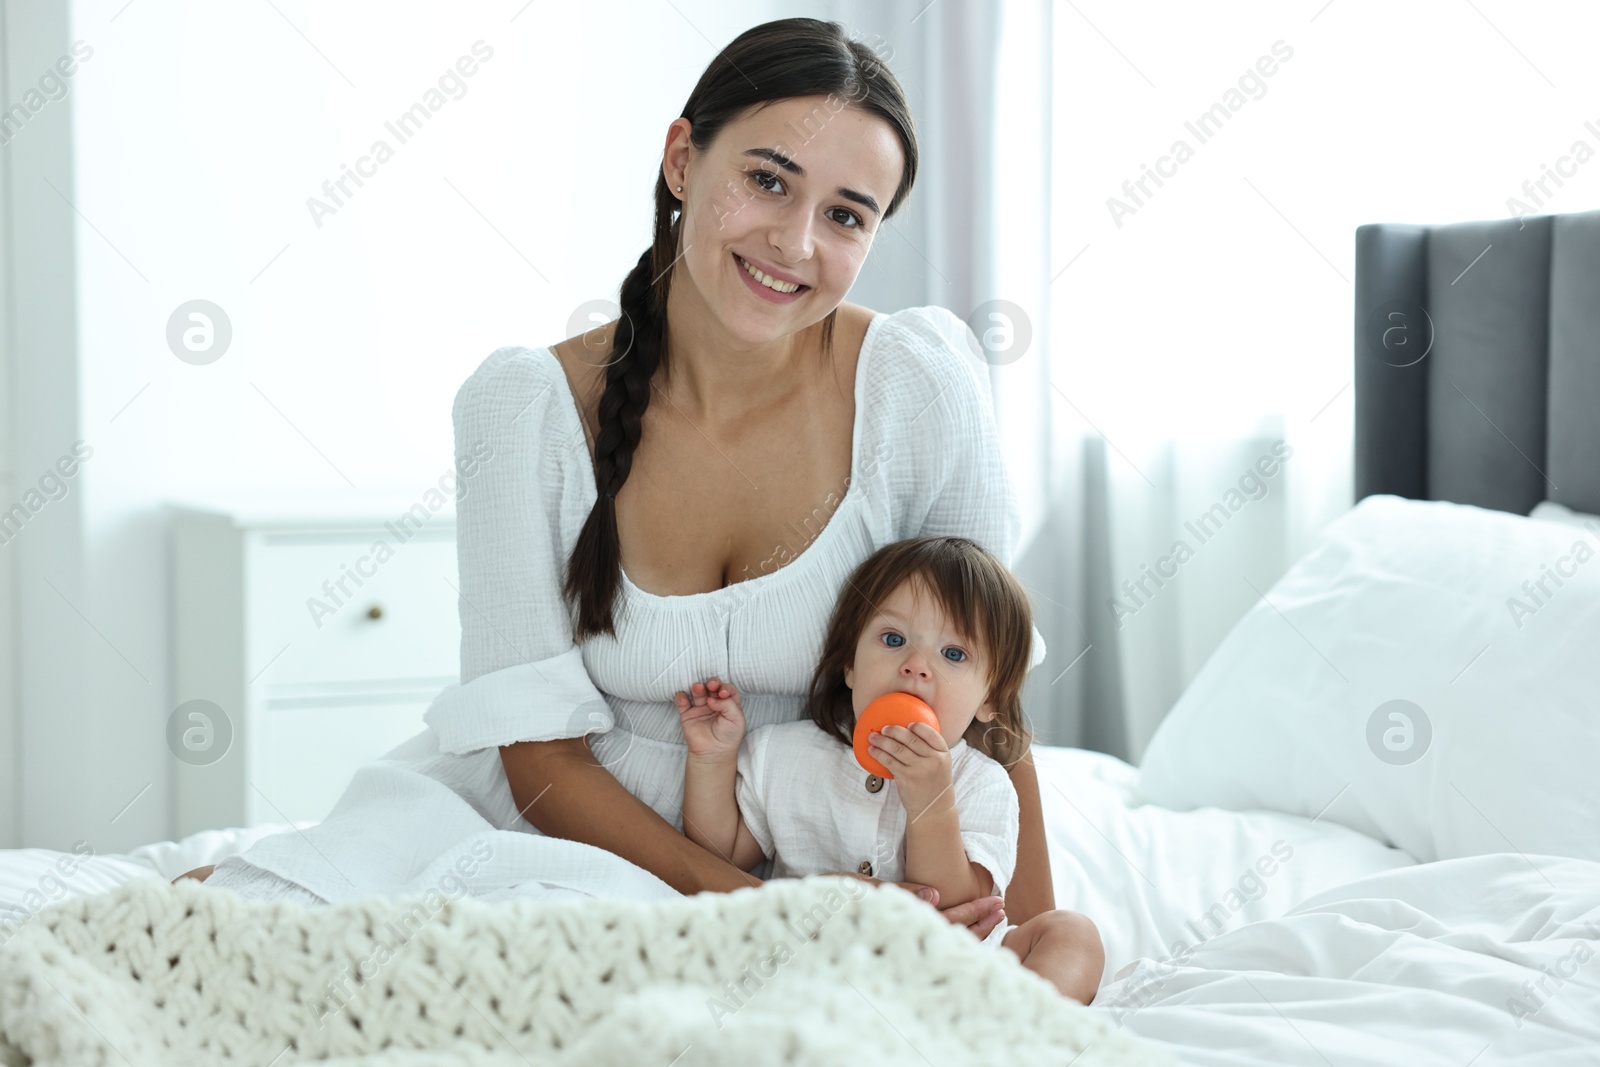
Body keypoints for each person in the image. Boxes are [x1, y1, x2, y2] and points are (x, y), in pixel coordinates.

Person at [177, 15, 1062, 959]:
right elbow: (539, 761)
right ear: (683, 159)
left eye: (846, 215)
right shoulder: (525, 409)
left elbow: (993, 696)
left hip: (829, 851)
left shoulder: (921, 385)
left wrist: (1026, 942)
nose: (796, 242)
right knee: (267, 945)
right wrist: (761, 914)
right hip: (574, 839)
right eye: (767, 179)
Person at [676, 537, 1103, 1003]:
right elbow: (721, 854)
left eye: (954, 654)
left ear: (989, 700)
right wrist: (711, 760)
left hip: (952, 976)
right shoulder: (784, 753)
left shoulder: (983, 783)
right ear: (850, 666)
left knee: (1071, 933)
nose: (916, 666)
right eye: (894, 640)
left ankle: (1026, 1035)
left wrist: (932, 803)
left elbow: (961, 910)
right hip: (824, 963)